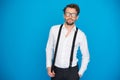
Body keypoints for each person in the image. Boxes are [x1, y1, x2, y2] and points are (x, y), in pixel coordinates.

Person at [46, 3, 90, 80]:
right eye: (68, 13)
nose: (70, 16)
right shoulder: (54, 29)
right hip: (56, 71)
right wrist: (49, 66)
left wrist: (80, 73)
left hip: (72, 72)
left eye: (73, 14)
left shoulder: (81, 35)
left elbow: (86, 56)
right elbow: (49, 48)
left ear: (77, 17)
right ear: (64, 15)